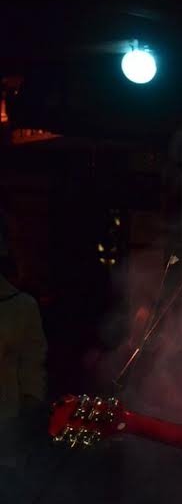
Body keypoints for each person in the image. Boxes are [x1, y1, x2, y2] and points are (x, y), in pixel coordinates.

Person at [0, 212, 47, 502]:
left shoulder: (21, 306)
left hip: (6, 427)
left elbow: (32, 370)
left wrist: (28, 413)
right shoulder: (20, 306)